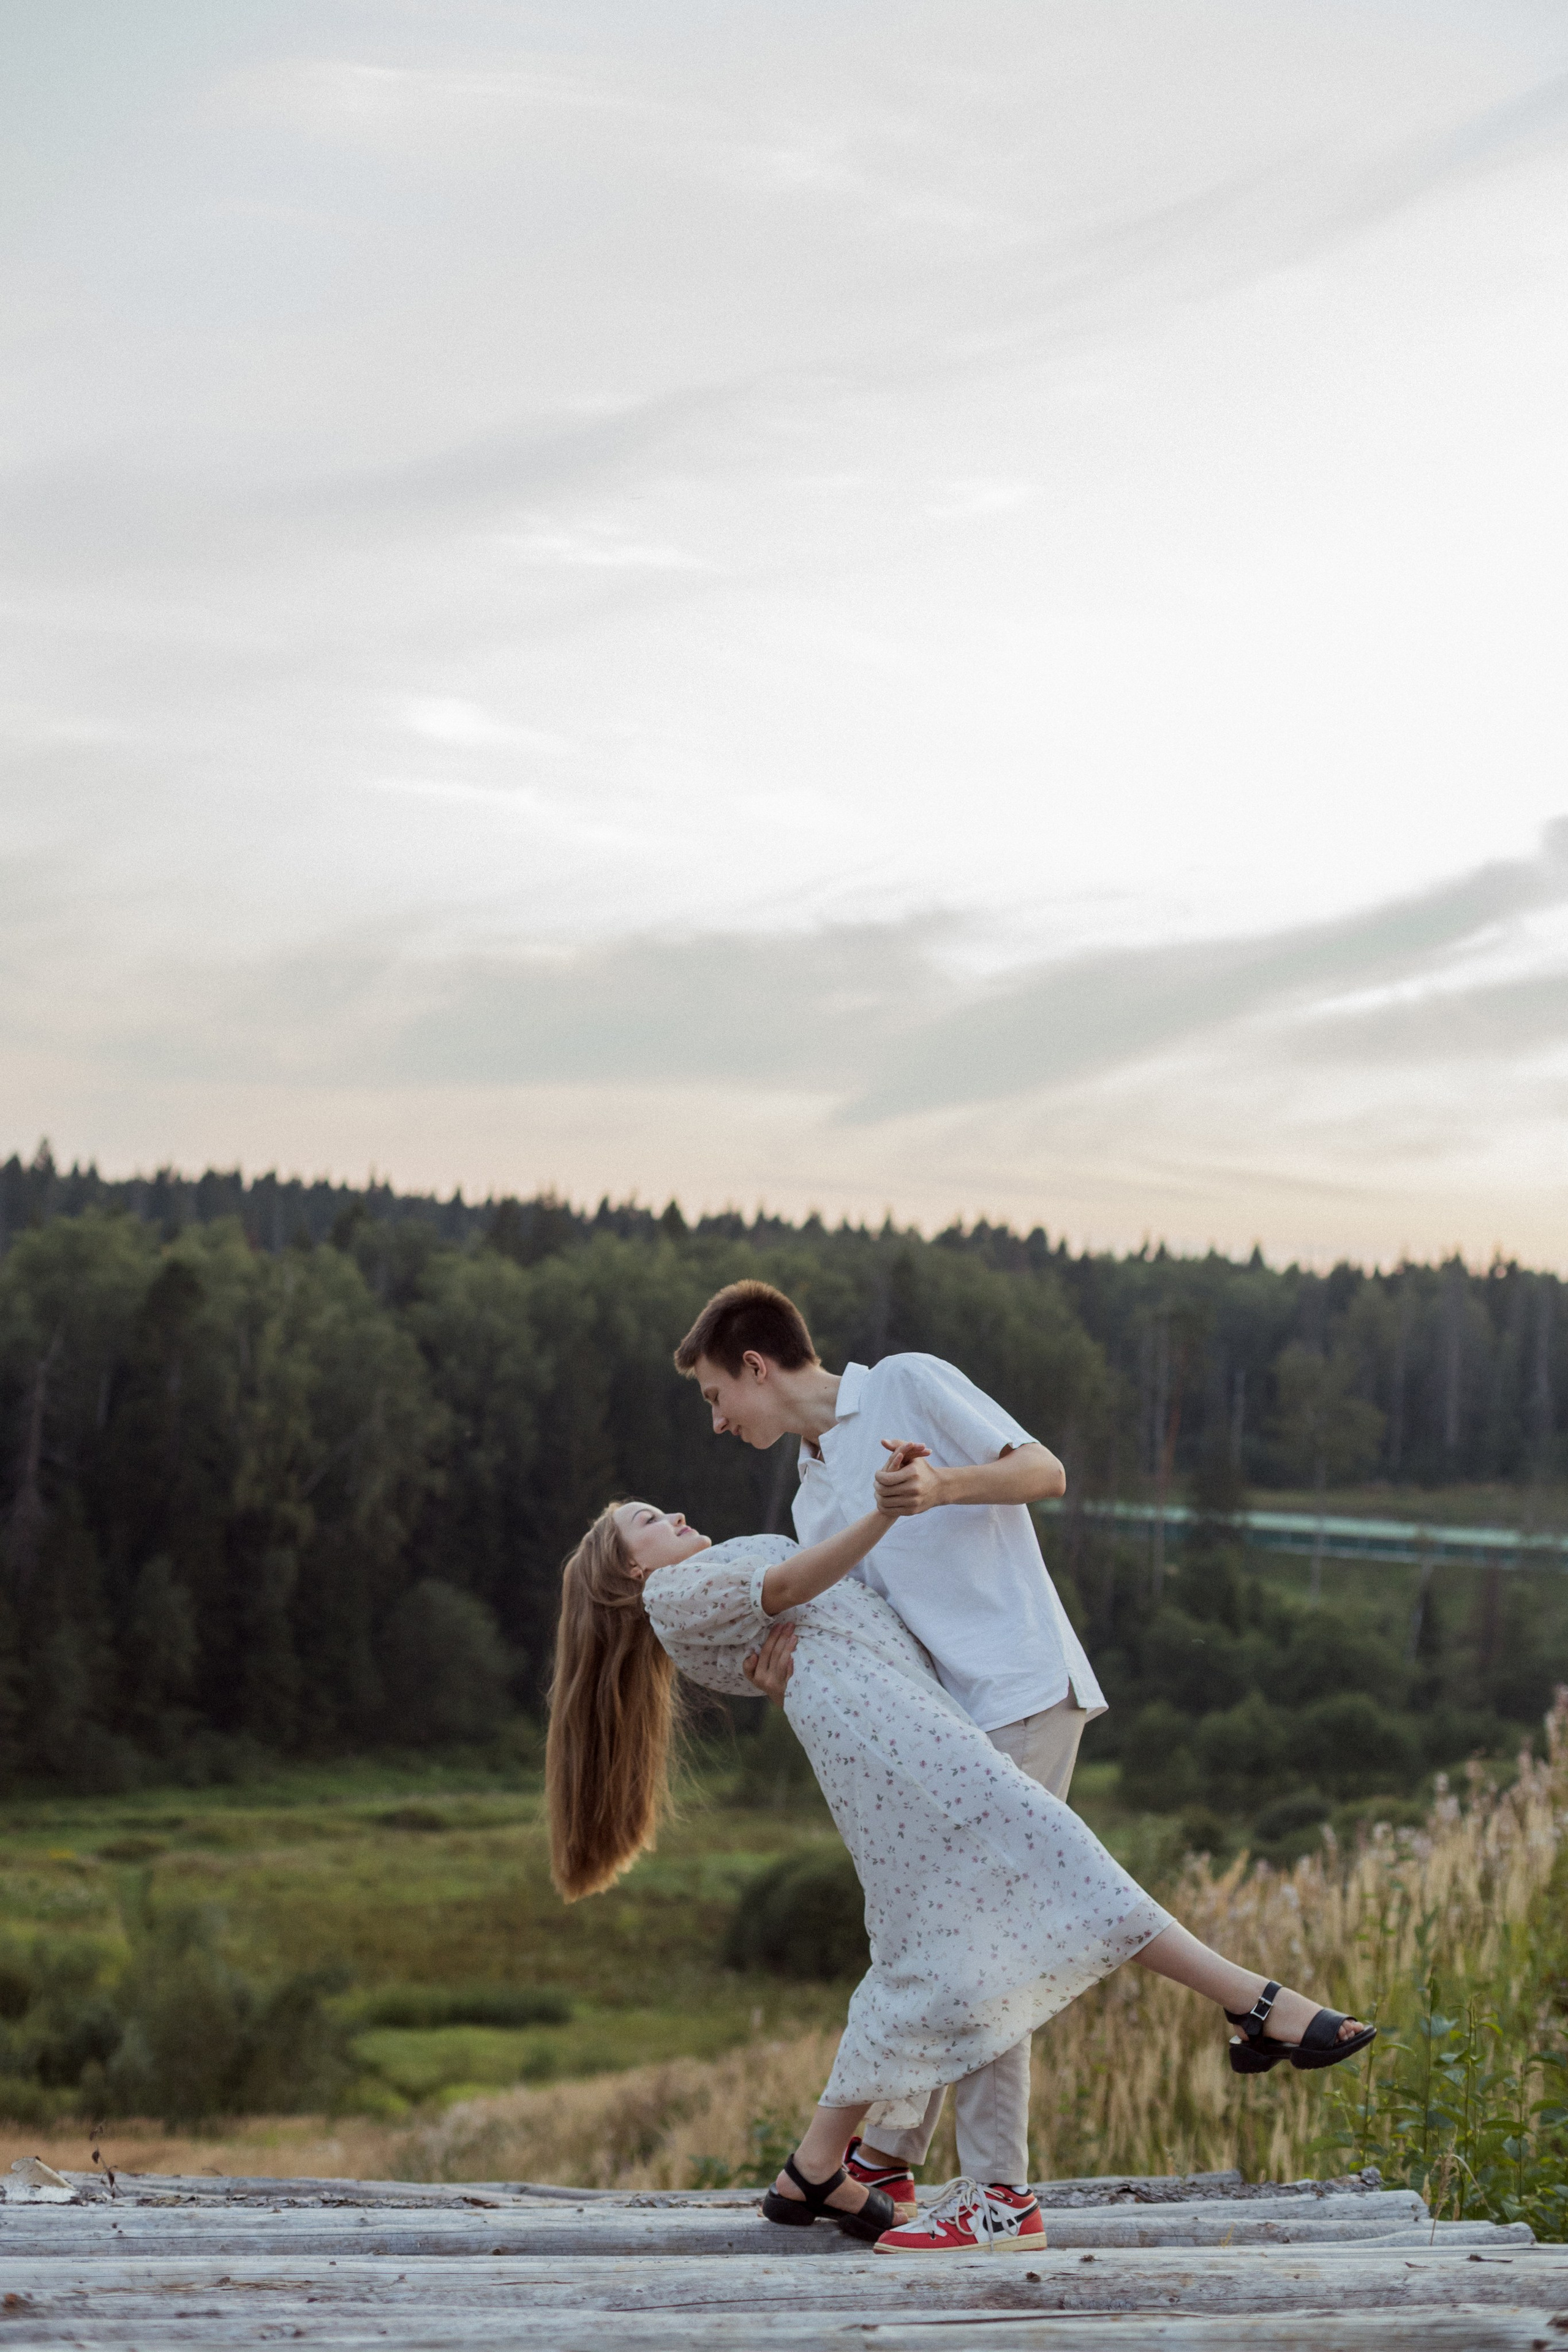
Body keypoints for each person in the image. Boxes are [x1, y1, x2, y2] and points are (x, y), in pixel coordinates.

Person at [546, 1486, 1374, 2256]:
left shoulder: (702, 1587)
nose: (672, 1516)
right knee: (1050, 1873)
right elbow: (801, 1580)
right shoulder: (670, 1595)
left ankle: (821, 2165)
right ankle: (1259, 2004)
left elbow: (801, 1632)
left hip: (906, 1729)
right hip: (896, 1746)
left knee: (943, 1941)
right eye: (648, 1521)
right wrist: (885, 1513)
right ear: (630, 1568)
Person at [673, 1278, 1102, 2239]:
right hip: (948, 1724)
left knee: (985, 1945)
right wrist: (791, 1677)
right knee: (940, 1934)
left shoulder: (907, 1385)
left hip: (1020, 1689)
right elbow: (864, 1625)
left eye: (714, 1396)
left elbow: (1046, 1472)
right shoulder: (813, 1490)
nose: (715, 1420)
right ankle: (893, 2162)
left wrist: (943, 1485)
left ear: (755, 1365)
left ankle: (1000, 2194)